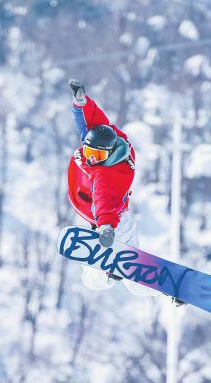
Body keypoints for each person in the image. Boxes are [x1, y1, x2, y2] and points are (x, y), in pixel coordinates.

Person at [66, 79, 153, 296]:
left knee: (94, 278)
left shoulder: (106, 173)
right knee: (96, 275)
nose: (92, 159)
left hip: (112, 222)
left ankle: (111, 274)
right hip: (93, 219)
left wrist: (105, 226)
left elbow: (104, 200)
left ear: (109, 154)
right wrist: (81, 103)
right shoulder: (115, 141)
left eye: (98, 156)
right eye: (89, 153)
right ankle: (115, 273)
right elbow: (93, 122)